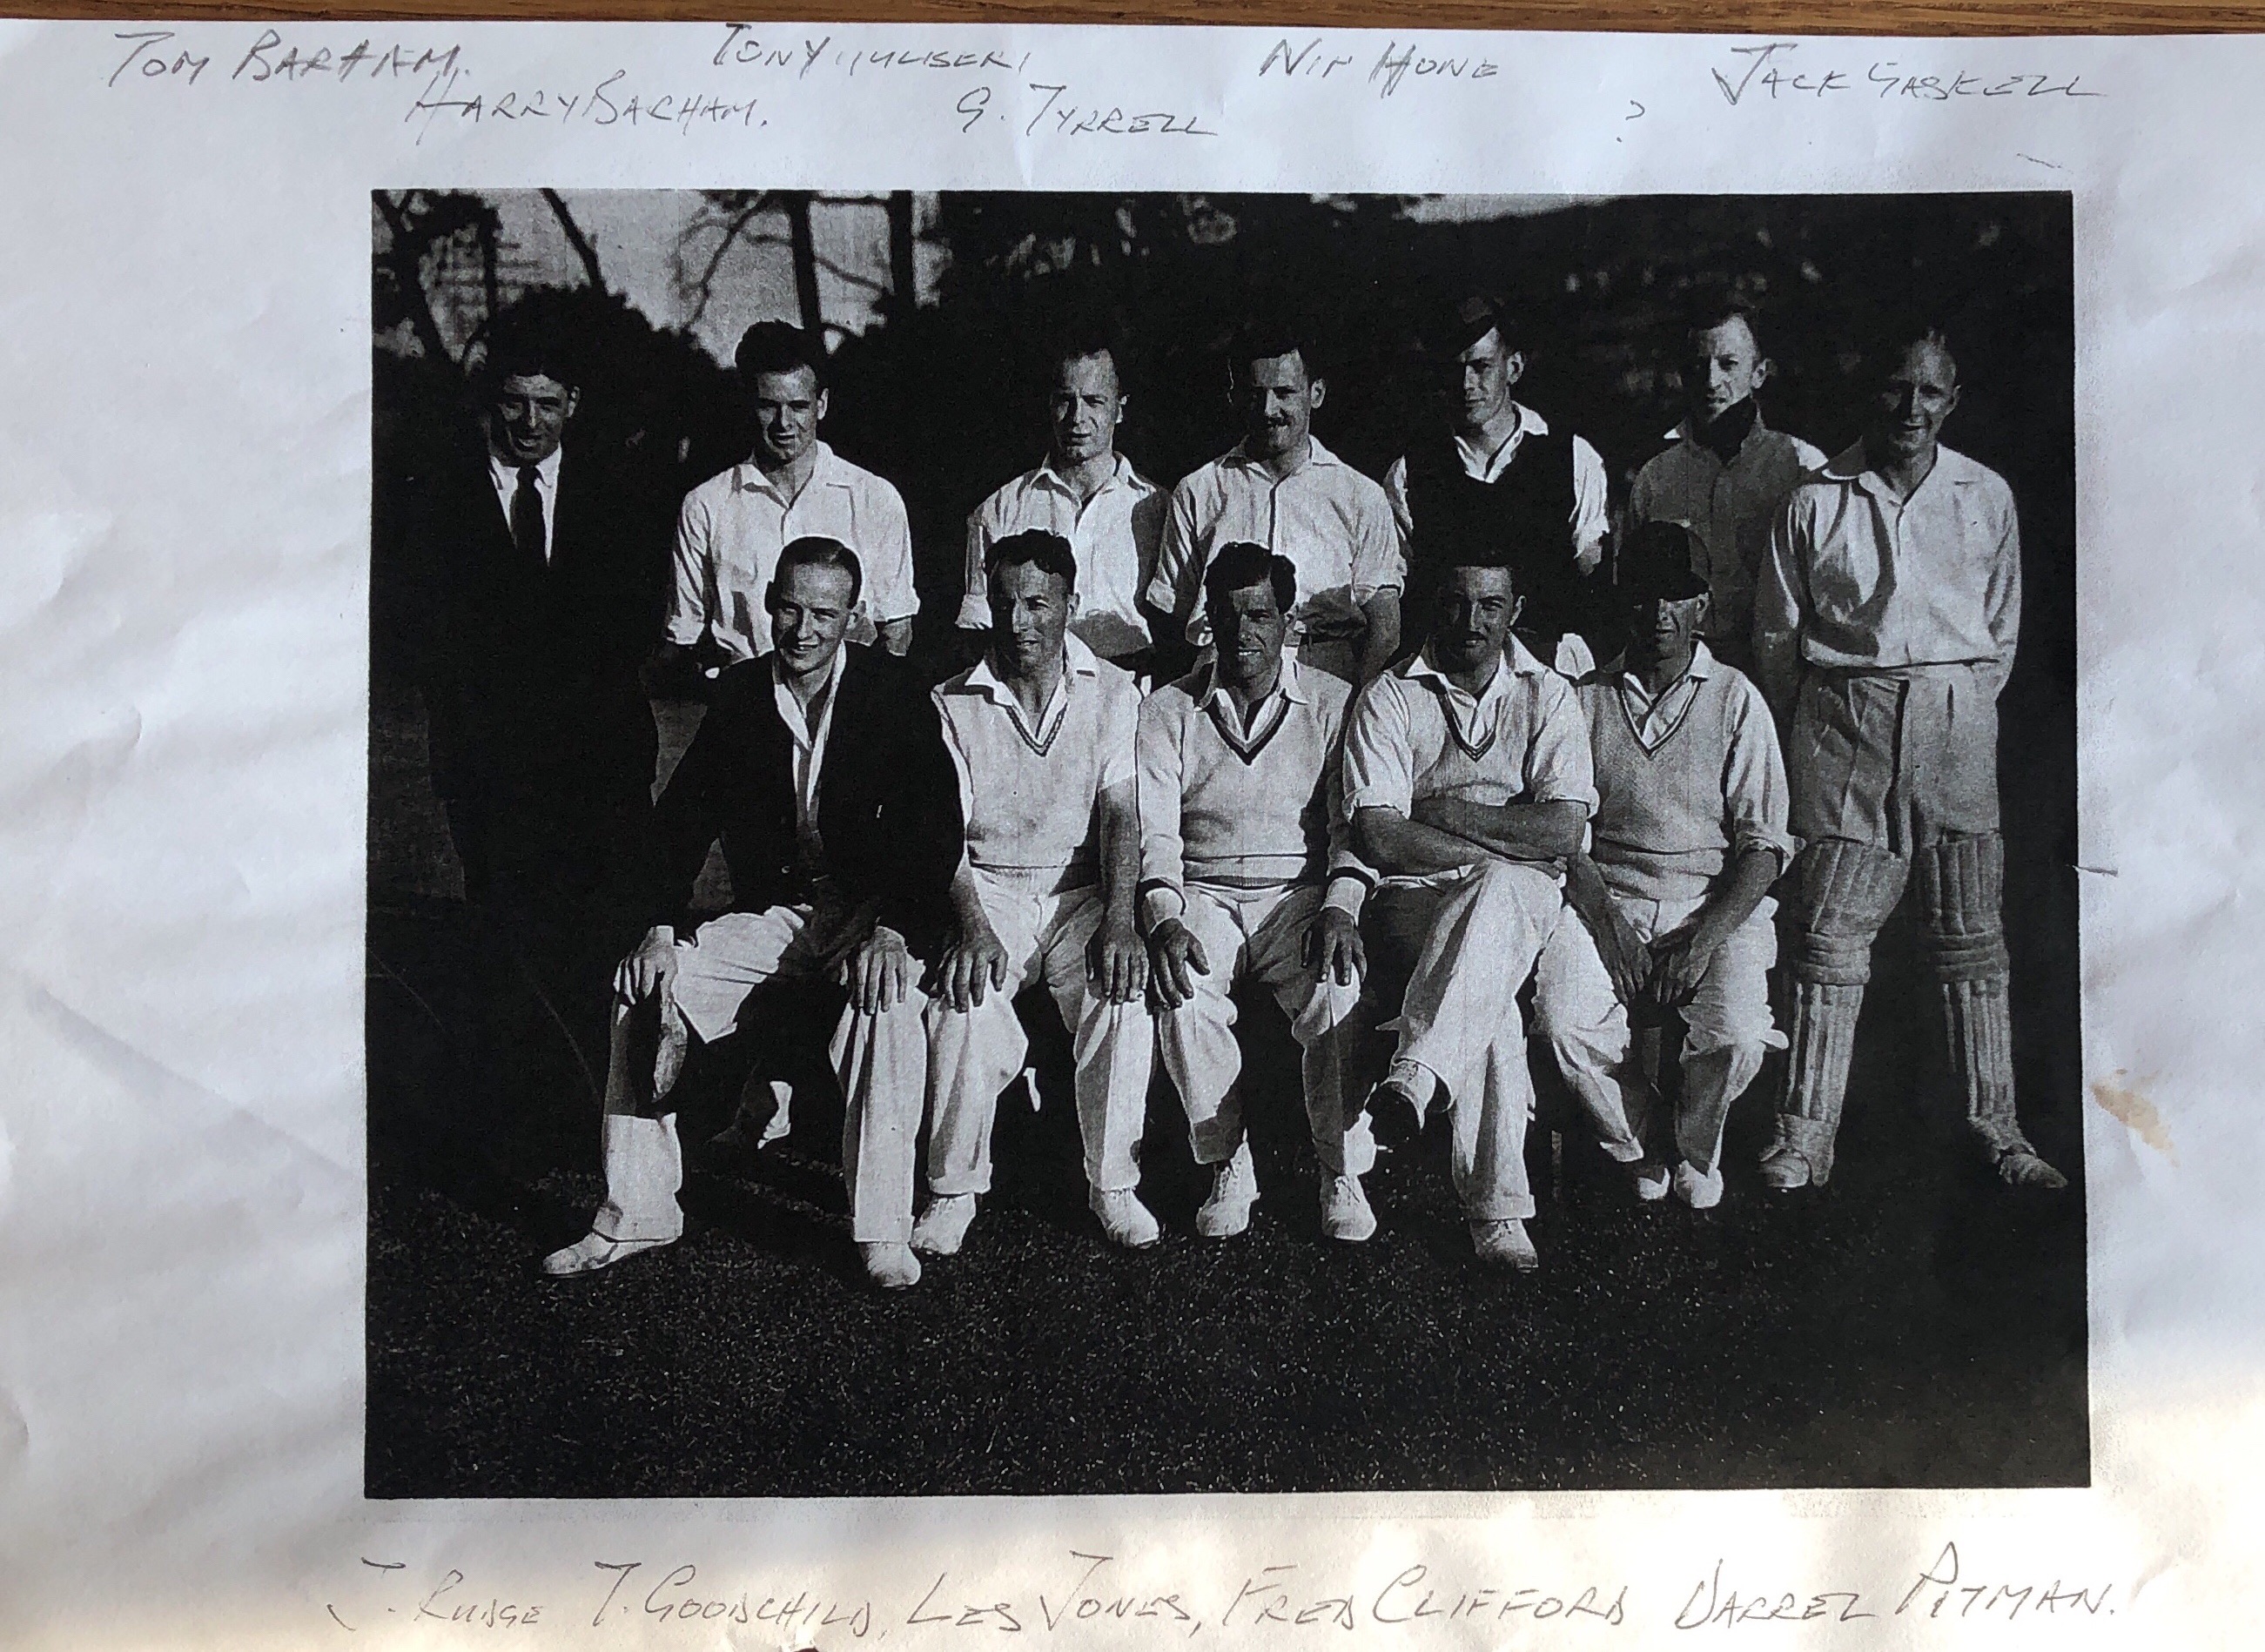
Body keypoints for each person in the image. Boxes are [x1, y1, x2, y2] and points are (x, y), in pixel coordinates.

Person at [539, 538, 964, 1289]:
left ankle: (881, 1229)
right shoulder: (739, 694)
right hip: (779, 912)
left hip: (871, 913)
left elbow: (935, 829)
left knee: (887, 1003)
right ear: (768, 604)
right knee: (644, 987)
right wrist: (658, 931)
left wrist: (895, 931)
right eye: (790, 609)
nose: (804, 630)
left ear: (853, 618)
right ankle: (638, 1212)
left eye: (824, 614)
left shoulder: (894, 691)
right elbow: (678, 824)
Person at [1751, 326, 2065, 1192]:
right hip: (1842, 725)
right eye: (1895, 387)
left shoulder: (1984, 494)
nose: (1911, 407)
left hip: (1954, 724)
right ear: (1870, 393)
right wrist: (1831, 724)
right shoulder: (1814, 500)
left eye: (1929, 392)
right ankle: (1802, 1139)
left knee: (1971, 939)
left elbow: (1999, 632)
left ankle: (1997, 1132)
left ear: (1952, 400)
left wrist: (1949, 706)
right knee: (1826, 939)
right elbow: (1777, 639)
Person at [1342, 552, 1643, 1270]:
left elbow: (1564, 828)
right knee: (1491, 996)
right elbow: (1379, 834)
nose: (1470, 622)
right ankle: (1497, 1214)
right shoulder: (1390, 695)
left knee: (1499, 935)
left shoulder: (1547, 692)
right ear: (1434, 605)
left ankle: (1418, 1073)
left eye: (1489, 605)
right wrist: (1502, 845)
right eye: (1455, 602)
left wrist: (1449, 813)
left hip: (1529, 893)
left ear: (1516, 610)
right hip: (1422, 891)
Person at [408, 319, 665, 1157]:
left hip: (599, 762)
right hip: (490, 765)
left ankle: (605, 1115)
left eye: (547, 404)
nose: (529, 422)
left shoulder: (617, 489)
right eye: (515, 402)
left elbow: (632, 622)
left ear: (573, 404)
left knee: (601, 933)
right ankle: (518, 1120)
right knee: (511, 937)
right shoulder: (438, 491)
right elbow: (427, 629)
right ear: (493, 401)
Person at [1536, 521, 1796, 1208]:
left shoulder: (1736, 697)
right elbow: (1567, 837)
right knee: (1563, 1022)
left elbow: (1764, 847)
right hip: (1603, 898)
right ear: (1622, 603)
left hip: (1709, 903)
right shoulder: (1583, 697)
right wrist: (1611, 928)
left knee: (1739, 1035)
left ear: (1702, 606)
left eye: (1677, 597)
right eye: (1644, 595)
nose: (1659, 613)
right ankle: (1638, 1136)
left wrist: (1704, 940)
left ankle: (1693, 1144)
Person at [917, 530, 1160, 1255]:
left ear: (1069, 604)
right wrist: (971, 927)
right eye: (1004, 604)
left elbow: (1122, 814)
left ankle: (1113, 1184)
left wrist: (1122, 922)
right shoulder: (949, 700)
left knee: (1122, 990)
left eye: (1036, 604)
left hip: (1082, 893)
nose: (1018, 622)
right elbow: (945, 835)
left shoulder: (1114, 691)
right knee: (963, 996)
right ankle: (953, 1189)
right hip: (989, 889)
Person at [1138, 542, 1379, 1241]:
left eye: (1260, 615)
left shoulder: (1333, 703)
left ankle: (1340, 1169)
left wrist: (1340, 907)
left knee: (1337, 987)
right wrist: (1165, 917)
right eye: (1229, 615)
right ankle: (1227, 1160)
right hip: (1204, 894)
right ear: (1207, 620)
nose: (1244, 631)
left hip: (1297, 896)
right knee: (1181, 988)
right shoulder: (1168, 708)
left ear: (1288, 622)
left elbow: (1349, 826)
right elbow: (1157, 832)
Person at [1144, 320, 1403, 688]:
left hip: (1325, 675)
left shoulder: (1359, 495)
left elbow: (1386, 627)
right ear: (1235, 395)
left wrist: (1357, 701)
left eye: (1284, 393)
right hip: (1224, 674)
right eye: (1255, 393)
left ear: (1316, 393)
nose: (1268, 409)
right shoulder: (1198, 490)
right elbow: (1170, 614)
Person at [661, 321, 918, 681]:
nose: (784, 423)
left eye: (798, 406)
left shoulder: (874, 498)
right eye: (769, 406)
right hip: (745, 698)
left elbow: (896, 630)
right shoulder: (706, 505)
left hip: (847, 699)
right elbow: (685, 635)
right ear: (749, 404)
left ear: (821, 404)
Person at [1385, 295, 1613, 675]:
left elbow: (1595, 581)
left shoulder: (1572, 458)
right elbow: (1400, 593)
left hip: (1548, 674)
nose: (1466, 384)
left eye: (1481, 367)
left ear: (1514, 367)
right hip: (1451, 679)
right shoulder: (1411, 471)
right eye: (1455, 369)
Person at [1623, 297, 1826, 675]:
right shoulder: (1656, 477)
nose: (1711, 381)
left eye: (1728, 364)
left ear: (1758, 373)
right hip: (1685, 675)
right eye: (1698, 366)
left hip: (1778, 672)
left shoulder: (1801, 467)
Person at [958, 329, 1168, 675]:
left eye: (1094, 401)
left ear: (1119, 409)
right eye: (1065, 400)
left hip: (1132, 688)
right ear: (1049, 404)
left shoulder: (1157, 508)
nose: (1077, 417)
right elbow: (977, 625)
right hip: (1030, 687)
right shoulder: (1000, 508)